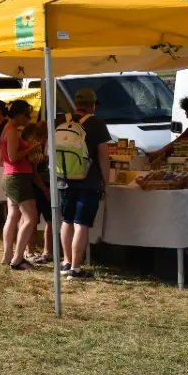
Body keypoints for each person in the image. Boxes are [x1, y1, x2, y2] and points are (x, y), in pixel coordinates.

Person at [56, 88, 111, 280]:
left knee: (67, 220)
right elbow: (104, 156)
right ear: (93, 105)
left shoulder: (60, 120)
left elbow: (48, 150)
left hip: (63, 179)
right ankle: (77, 269)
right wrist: (106, 182)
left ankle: (66, 262)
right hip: (89, 181)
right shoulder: (97, 124)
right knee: (82, 224)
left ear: (76, 104)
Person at [0, 100, 40, 270]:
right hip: (17, 177)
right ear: (18, 116)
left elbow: (0, 158)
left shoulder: (7, 129)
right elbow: (13, 157)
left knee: (13, 216)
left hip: (11, 176)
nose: (29, 118)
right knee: (31, 218)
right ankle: (17, 259)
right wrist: (31, 149)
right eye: (27, 115)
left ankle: (8, 255)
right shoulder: (12, 131)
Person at [26, 121, 55, 265]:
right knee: (33, 220)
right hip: (38, 187)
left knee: (50, 219)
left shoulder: (48, 146)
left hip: (46, 186)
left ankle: (47, 251)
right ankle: (30, 251)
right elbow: (34, 173)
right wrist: (45, 189)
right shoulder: (36, 148)